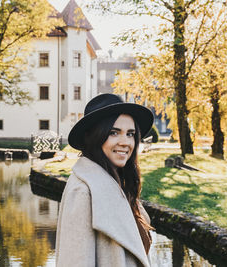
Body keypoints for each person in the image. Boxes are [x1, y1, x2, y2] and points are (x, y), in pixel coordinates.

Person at [55, 93, 154, 267]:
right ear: (95, 136)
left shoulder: (119, 185)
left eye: (130, 134)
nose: (125, 142)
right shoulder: (83, 191)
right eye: (114, 133)